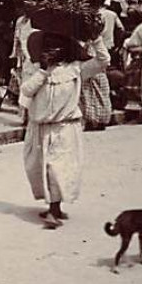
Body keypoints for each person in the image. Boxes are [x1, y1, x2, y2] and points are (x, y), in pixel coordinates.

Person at [19, 30, 96, 229]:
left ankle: (54, 210)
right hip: (41, 128)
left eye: (55, 48)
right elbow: (26, 90)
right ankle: (54, 205)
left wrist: (96, 36)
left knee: (57, 168)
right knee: (40, 168)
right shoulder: (36, 70)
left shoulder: (75, 70)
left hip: (65, 127)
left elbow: (103, 61)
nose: (50, 52)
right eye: (47, 48)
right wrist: (43, 71)